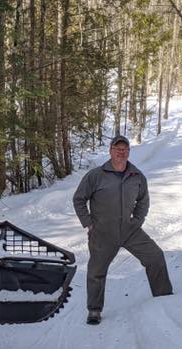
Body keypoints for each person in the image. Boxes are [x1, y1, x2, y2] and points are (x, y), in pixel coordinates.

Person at [72, 135, 173, 325]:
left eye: (125, 149)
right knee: (97, 271)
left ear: (129, 152)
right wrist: (88, 223)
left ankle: (164, 297)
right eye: (117, 149)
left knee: (155, 256)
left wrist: (138, 220)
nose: (121, 152)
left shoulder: (136, 175)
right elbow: (79, 199)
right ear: (110, 151)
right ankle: (94, 310)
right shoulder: (96, 175)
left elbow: (143, 200)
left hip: (130, 230)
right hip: (103, 232)